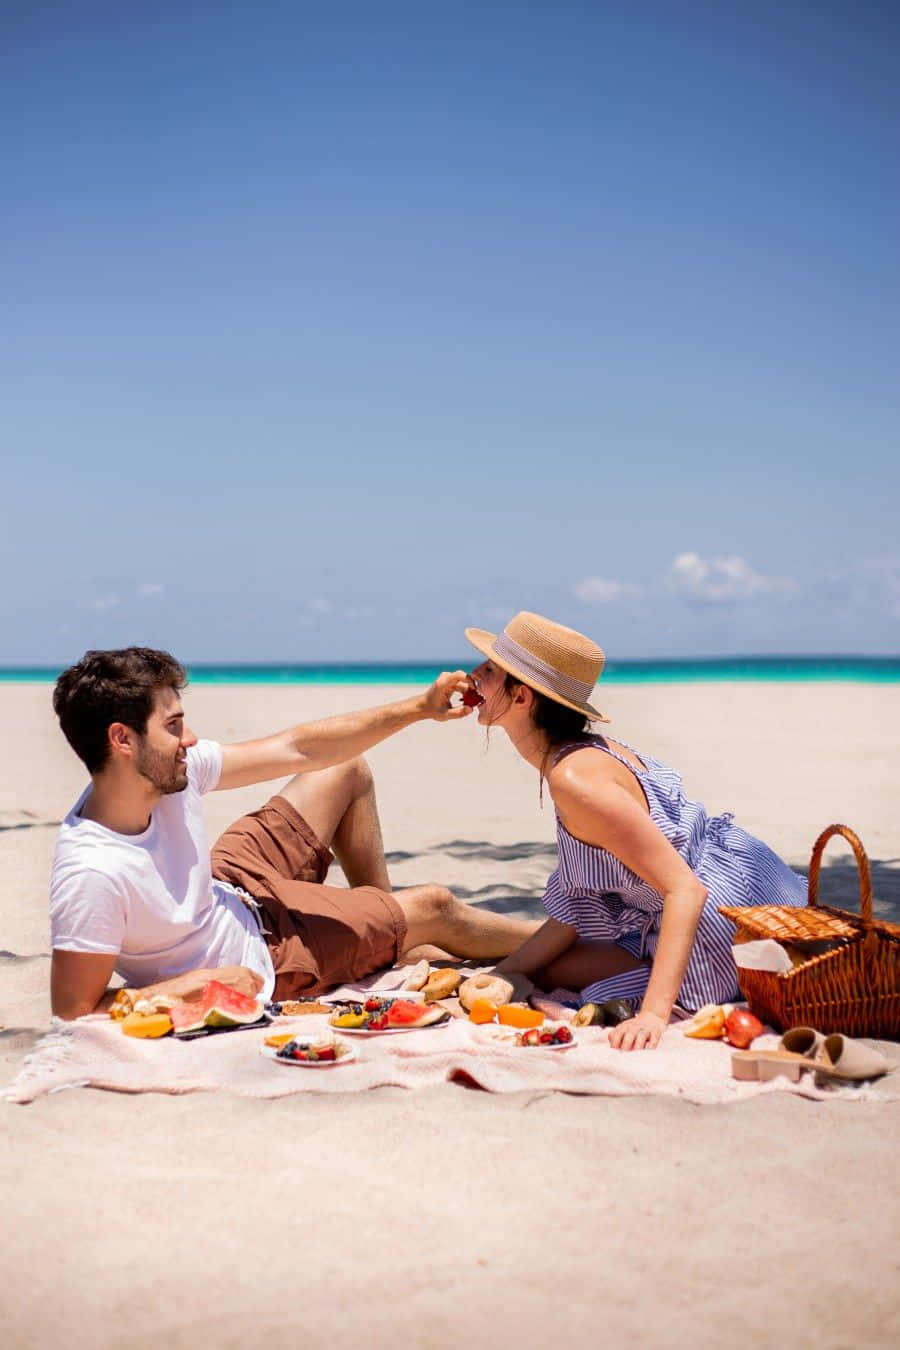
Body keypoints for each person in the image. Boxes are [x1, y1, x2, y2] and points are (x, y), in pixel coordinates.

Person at [49, 647, 541, 1019]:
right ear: (122, 740)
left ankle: (389, 937)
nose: (191, 739)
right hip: (267, 953)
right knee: (436, 906)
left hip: (229, 885)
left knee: (343, 768)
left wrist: (418, 707)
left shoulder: (171, 771)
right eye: (174, 726)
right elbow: (74, 1007)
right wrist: (197, 984)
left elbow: (298, 749)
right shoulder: (92, 873)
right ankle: (566, 940)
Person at [461, 612, 807, 1052]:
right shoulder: (591, 751)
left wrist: (654, 1015)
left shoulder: (575, 780)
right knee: (532, 970)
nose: (474, 674)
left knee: (551, 974)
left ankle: (667, 986)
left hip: (722, 921)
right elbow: (578, 900)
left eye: (489, 670)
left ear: (523, 698)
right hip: (752, 886)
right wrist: (500, 974)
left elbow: (686, 890)